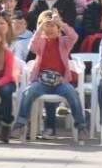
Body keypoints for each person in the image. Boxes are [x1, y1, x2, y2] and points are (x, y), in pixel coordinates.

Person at [11, 10, 87, 142]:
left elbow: (74, 36)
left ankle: (81, 126)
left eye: (53, 26)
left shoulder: (64, 43)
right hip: (41, 82)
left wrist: (61, 23)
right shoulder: (40, 42)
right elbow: (32, 47)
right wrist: (40, 28)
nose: (50, 29)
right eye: (47, 25)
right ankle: (20, 124)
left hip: (60, 82)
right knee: (28, 92)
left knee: (72, 94)